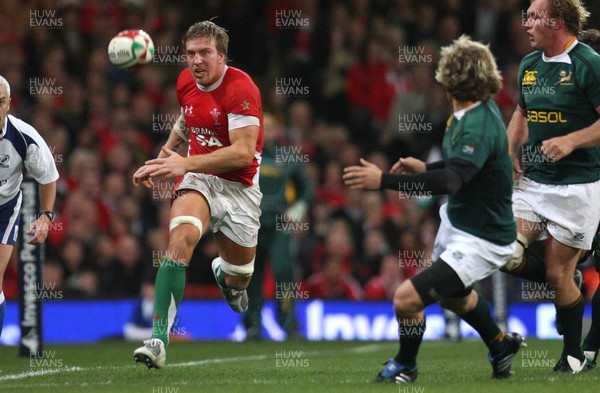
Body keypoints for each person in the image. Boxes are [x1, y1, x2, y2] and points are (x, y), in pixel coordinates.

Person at [343, 35, 524, 383]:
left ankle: (405, 365)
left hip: (481, 237)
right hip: (461, 223)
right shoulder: (469, 111)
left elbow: (453, 181)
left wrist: (382, 181)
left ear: (451, 76)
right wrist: (426, 169)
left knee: (406, 299)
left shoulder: (476, 122)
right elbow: (464, 171)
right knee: (456, 298)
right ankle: (500, 346)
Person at [132, 20, 263, 369]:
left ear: (222, 56)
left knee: (239, 275)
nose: (196, 61)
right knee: (179, 240)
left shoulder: (242, 89)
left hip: (240, 188)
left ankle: (228, 279)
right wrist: (165, 155)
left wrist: (185, 160)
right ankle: (158, 339)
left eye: (205, 53)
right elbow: (187, 118)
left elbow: (243, 153)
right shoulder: (186, 82)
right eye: (190, 54)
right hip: (199, 178)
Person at [500, 0, 600, 372]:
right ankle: (565, 279)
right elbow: (521, 115)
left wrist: (572, 140)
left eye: (534, 16)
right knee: (501, 250)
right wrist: (510, 149)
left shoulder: (589, 63)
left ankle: (572, 357)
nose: (525, 23)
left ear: (556, 22)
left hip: (578, 188)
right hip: (533, 183)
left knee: (557, 277)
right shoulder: (529, 65)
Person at [242, 113, 312, 340]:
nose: (267, 131)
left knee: (284, 269)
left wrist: (299, 207)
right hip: (251, 223)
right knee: (250, 275)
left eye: (271, 127)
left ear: (278, 131)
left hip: (280, 223)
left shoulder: (288, 156)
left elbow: (307, 189)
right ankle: (253, 325)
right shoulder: (243, 153)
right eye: (264, 127)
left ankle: (289, 323)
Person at [0, 75, 59, 339]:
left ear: (9, 104)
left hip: (4, 209)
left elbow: (48, 178)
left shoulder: (24, 137)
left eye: (0, 102)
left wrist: (46, 217)